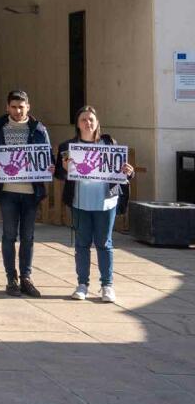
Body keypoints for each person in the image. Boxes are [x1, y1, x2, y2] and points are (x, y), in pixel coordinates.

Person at [56, 106, 134, 303]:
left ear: (97, 122)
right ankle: (82, 284)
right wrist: (65, 169)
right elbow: (59, 173)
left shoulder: (109, 143)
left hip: (106, 202)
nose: (87, 123)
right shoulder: (68, 146)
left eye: (91, 119)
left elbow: (121, 171)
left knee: (104, 243)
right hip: (80, 202)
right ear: (77, 123)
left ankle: (107, 285)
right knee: (82, 244)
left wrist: (128, 171)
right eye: (83, 119)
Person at [0, 89, 52, 298]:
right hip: (8, 191)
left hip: (31, 191)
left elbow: (48, 157)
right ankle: (11, 278)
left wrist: (49, 167)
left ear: (28, 107)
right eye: (13, 107)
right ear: (7, 108)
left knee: (28, 236)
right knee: (8, 235)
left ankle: (26, 277)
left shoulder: (39, 130)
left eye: (21, 106)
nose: (17, 110)